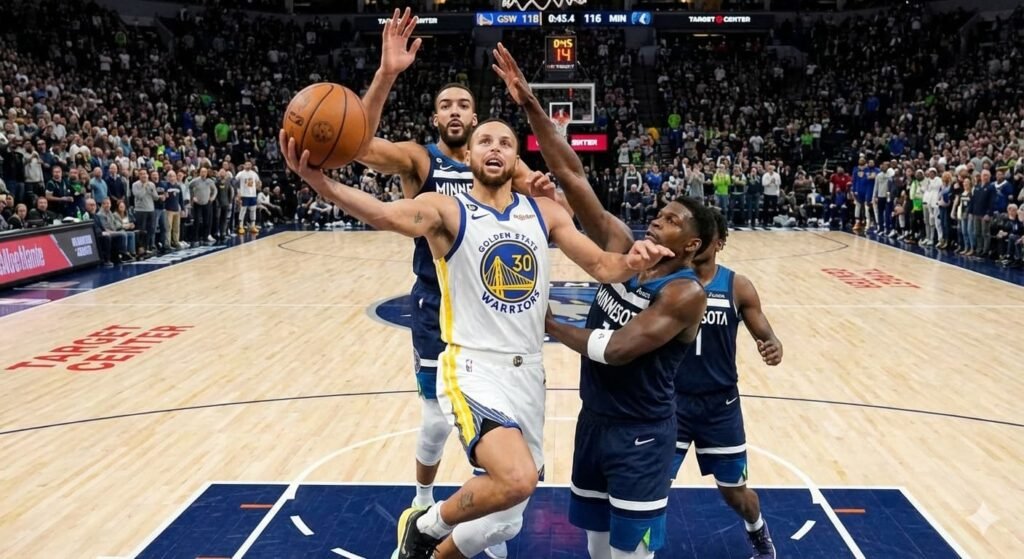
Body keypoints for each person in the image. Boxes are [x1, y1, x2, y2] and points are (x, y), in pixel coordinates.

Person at [280, 117, 672, 559]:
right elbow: (384, 215)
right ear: (468, 155)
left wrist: (635, 259)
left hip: (528, 373)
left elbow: (603, 266)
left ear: (515, 159)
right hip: (472, 368)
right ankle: (426, 525)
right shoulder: (445, 210)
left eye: (505, 142)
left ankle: (425, 550)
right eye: (484, 140)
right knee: (517, 478)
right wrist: (320, 182)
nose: (495, 147)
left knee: (506, 519)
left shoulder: (545, 212)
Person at [492, 44, 713, 559]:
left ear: (692, 246)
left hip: (641, 434)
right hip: (595, 419)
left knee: (628, 556)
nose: (659, 218)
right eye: (661, 212)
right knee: (595, 549)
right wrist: (529, 103)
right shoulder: (620, 244)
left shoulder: (684, 292)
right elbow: (571, 175)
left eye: (674, 220)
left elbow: (616, 349)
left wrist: (548, 324)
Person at [352, 13, 555, 551]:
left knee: (497, 457)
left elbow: (540, 205)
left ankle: (475, 523)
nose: (456, 111)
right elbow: (357, 144)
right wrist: (386, 73)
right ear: (436, 117)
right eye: (446, 104)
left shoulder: (498, 165)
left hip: (499, 322)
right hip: (438, 314)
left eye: (465, 104)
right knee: (438, 423)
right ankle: (424, 504)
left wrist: (538, 186)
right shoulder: (421, 161)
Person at [672, 210, 782, 559]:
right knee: (651, 485)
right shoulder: (669, 280)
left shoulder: (737, 285)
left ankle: (758, 530)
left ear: (719, 243)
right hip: (671, 402)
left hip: (720, 406)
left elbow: (764, 331)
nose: (701, 242)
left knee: (735, 492)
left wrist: (772, 345)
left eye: (709, 237)